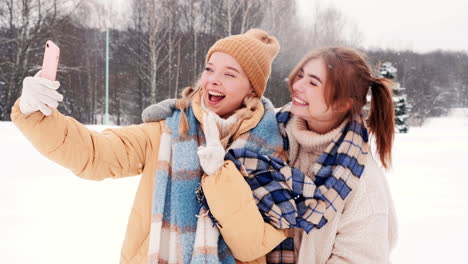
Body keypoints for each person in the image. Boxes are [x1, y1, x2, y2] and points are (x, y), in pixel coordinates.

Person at [11, 29, 289, 264]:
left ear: (252, 89)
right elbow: (95, 153)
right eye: (209, 69)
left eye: (230, 74)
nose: (212, 80)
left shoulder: (269, 150)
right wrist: (35, 112)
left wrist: (220, 176)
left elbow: (252, 246)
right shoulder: (166, 130)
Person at [144, 46, 398, 263]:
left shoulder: (362, 188)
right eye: (301, 75)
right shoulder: (271, 127)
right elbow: (230, 119)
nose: (297, 86)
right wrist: (184, 110)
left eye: (313, 82)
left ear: (343, 104)